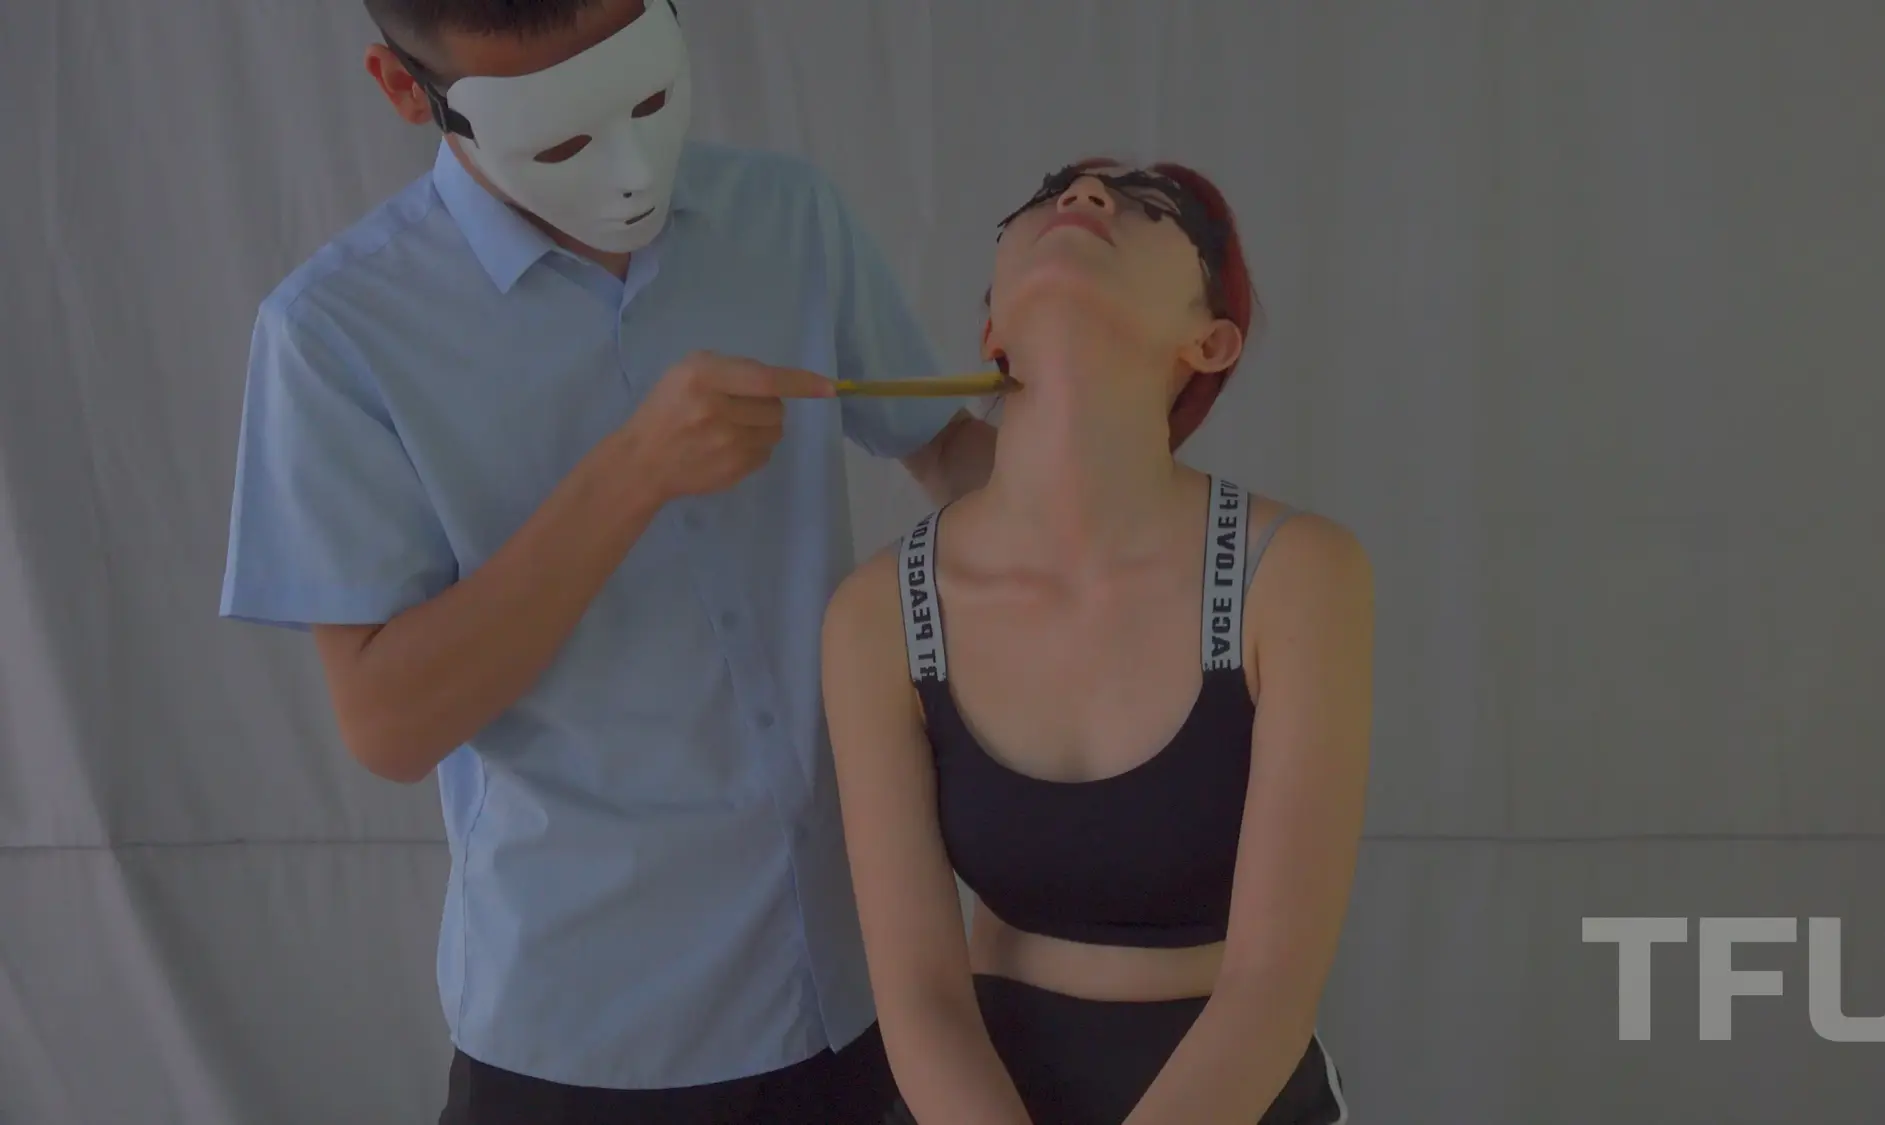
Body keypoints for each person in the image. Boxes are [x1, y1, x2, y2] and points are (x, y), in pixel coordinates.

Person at [217, 0, 996, 1122]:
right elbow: (389, 724)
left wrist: (1106, 415)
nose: (632, 169)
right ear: (404, 90)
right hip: (584, 1038)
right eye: (563, 138)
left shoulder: (787, 218)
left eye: (651, 98)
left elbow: (947, 452)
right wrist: (630, 474)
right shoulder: (335, 334)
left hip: (854, 984)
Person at [820, 157, 1373, 1125]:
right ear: (992, 332)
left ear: (1209, 342)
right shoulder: (876, 613)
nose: (1081, 200)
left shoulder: (1296, 575)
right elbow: (920, 996)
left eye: (1153, 208)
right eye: (1049, 194)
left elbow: (1269, 988)